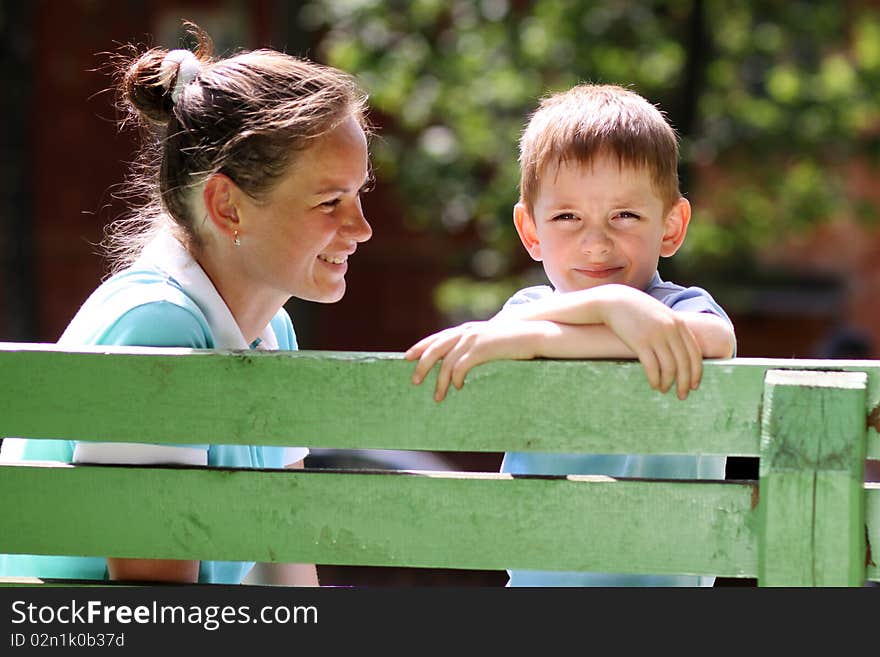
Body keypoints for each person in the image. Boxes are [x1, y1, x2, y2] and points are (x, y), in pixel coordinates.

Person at [0, 23, 373, 585]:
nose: (361, 228)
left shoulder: (275, 332)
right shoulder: (156, 329)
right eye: (329, 202)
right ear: (227, 206)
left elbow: (286, 576)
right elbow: (153, 608)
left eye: (359, 194)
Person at [406, 83, 736, 586]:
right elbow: (501, 339)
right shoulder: (526, 313)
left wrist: (596, 316)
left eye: (625, 215)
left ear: (671, 226)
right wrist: (610, 308)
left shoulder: (680, 309)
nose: (596, 242)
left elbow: (714, 340)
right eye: (567, 217)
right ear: (531, 230)